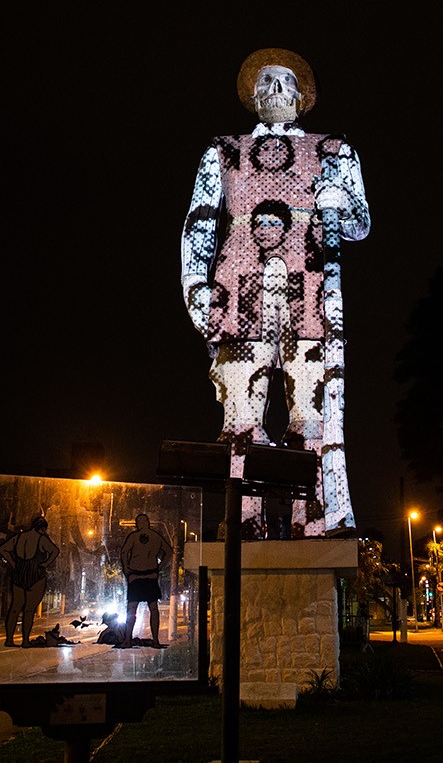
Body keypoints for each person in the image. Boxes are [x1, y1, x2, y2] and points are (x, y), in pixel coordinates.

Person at [180, 48, 370, 536]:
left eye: (284, 81)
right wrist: (197, 286)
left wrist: (337, 201)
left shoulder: (334, 149)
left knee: (309, 413)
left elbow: (360, 224)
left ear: (303, 95)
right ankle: (243, 518)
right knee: (240, 412)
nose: (275, 90)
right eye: (265, 82)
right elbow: (200, 219)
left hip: (309, 294)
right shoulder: (223, 150)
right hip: (237, 292)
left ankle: (313, 521)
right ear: (252, 96)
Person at [0, 514, 60, 648]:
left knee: (14, 608)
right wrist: (45, 563)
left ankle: (9, 639)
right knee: (29, 610)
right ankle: (25, 640)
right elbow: (55, 551)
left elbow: (2, 549)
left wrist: (13, 563)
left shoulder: (19, 538)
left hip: (19, 574)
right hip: (35, 575)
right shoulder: (41, 539)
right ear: (42, 528)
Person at [119, 513, 172, 648]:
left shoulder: (135, 537)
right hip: (145, 575)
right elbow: (169, 552)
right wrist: (159, 567)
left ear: (140, 523)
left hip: (140, 576)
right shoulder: (155, 537)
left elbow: (125, 553)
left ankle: (130, 640)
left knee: (135, 609)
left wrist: (127, 569)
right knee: (150, 609)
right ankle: (151, 641)